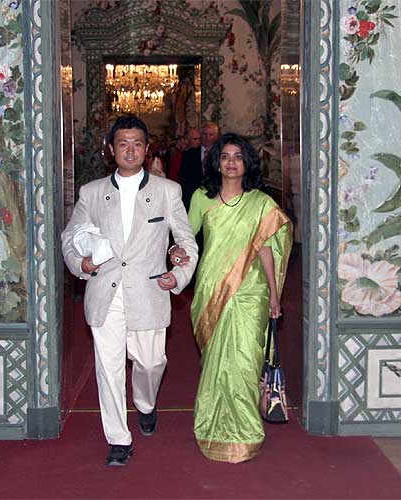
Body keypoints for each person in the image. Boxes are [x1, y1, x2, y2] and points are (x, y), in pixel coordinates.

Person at [61, 115, 198, 467]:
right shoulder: (92, 193)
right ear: (112, 149)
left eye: (137, 144)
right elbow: (70, 237)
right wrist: (81, 263)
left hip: (149, 293)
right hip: (105, 293)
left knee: (151, 363)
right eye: (123, 144)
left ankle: (146, 404)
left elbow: (185, 241)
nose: (130, 150)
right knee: (108, 368)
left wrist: (178, 273)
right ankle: (119, 439)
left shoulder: (167, 191)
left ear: (147, 148)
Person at [185, 132, 292, 463]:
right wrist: (175, 255)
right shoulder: (201, 198)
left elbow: (265, 250)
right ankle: (213, 425)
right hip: (211, 289)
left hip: (251, 292)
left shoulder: (260, 203)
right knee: (216, 362)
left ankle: (245, 431)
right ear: (216, 162)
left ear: (248, 163)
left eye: (238, 156)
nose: (231, 162)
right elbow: (186, 238)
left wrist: (274, 295)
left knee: (245, 361)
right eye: (225, 156)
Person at [179, 122, 218, 210]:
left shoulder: (221, 154)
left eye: (211, 134)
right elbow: (183, 179)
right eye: (205, 134)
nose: (207, 137)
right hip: (193, 200)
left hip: (215, 200)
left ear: (216, 136)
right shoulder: (188, 154)